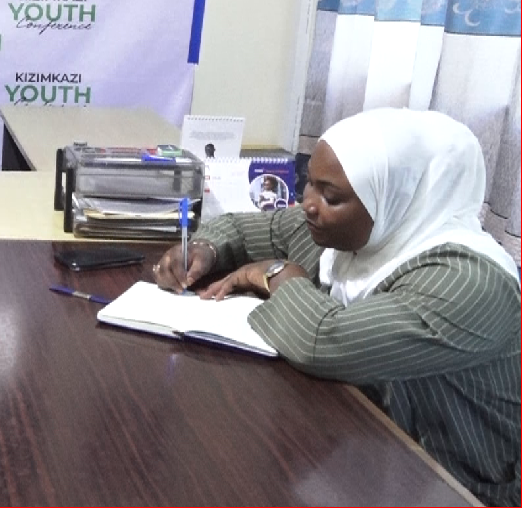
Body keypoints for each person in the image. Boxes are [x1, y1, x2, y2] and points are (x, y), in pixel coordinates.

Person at [154, 108, 520, 506]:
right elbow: (242, 228)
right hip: (358, 455)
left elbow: (326, 341)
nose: (308, 204)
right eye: (308, 184)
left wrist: (277, 275)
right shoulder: (348, 229)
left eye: (331, 196)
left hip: (455, 485)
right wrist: (204, 249)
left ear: (396, 197)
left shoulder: (468, 282)